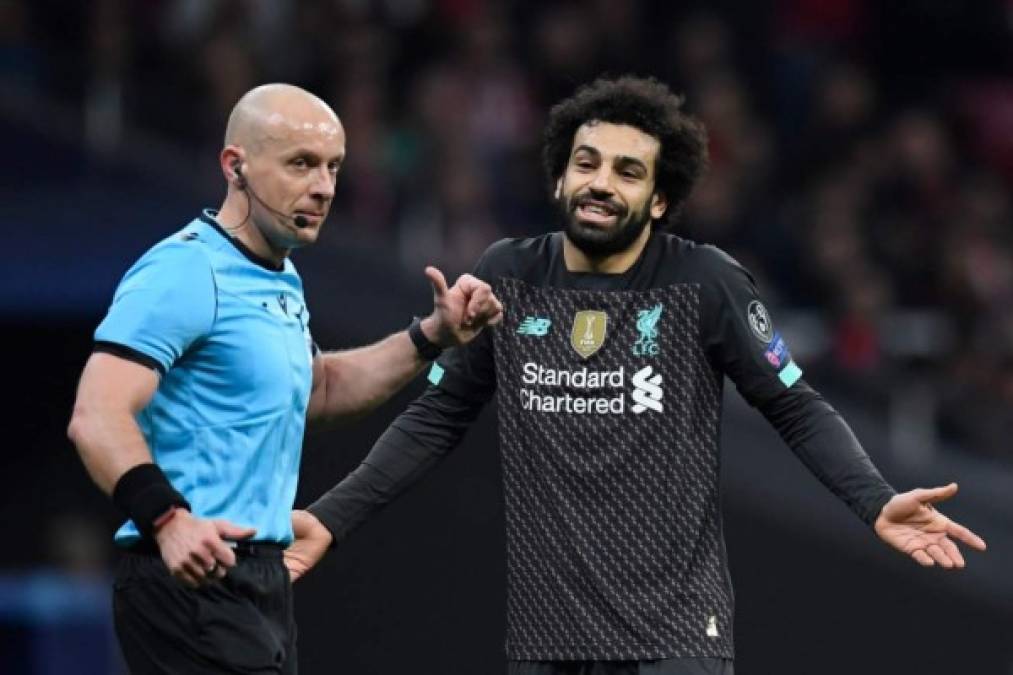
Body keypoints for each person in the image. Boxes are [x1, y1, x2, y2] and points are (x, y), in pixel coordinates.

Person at [285, 76, 987, 675]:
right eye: (586, 162)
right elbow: (436, 416)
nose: (600, 182)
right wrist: (330, 516)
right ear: (559, 177)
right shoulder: (509, 274)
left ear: (658, 199)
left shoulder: (703, 283)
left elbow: (796, 406)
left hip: (674, 636)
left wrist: (873, 499)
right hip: (546, 634)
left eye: (627, 171)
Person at [66, 83, 503, 674]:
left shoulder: (280, 276)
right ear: (235, 167)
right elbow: (97, 414)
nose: (322, 186)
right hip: (190, 577)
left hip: (259, 582)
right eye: (300, 164)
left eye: (332, 167)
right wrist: (167, 519)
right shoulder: (185, 268)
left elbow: (316, 390)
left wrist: (431, 337)